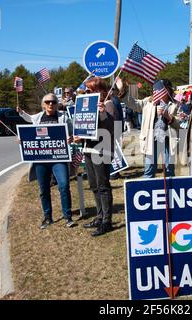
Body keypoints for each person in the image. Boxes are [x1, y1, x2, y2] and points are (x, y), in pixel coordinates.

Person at [16, 93, 76, 229]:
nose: (50, 104)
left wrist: (71, 138)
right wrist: (23, 141)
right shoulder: (37, 117)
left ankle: (68, 217)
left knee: (64, 186)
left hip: (59, 159)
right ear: (43, 104)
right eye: (48, 102)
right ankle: (47, 217)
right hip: (41, 160)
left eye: (53, 102)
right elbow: (29, 124)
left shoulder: (63, 117)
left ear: (57, 104)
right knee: (44, 189)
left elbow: (73, 133)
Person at [75, 77, 115, 237]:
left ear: (100, 91)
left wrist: (103, 113)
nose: (87, 93)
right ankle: (99, 216)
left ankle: (107, 221)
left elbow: (112, 127)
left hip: (102, 150)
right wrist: (79, 137)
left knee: (103, 185)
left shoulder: (108, 104)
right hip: (89, 149)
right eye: (86, 90)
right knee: (93, 185)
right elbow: (84, 126)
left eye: (90, 90)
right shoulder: (86, 105)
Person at [122, 78, 180, 178]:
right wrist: (122, 92)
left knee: (169, 169)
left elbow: (180, 124)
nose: (155, 91)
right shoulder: (148, 102)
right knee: (149, 169)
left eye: (158, 89)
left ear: (167, 90)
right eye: (154, 89)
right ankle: (147, 189)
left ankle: (170, 191)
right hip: (151, 140)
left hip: (168, 141)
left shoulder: (175, 105)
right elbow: (133, 104)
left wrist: (168, 116)